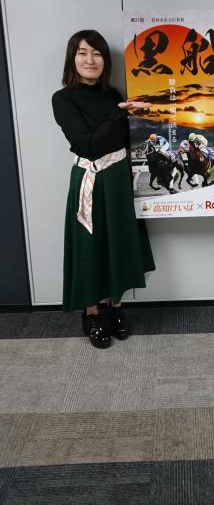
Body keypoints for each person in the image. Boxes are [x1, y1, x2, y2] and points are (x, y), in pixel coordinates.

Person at [52, 30, 155, 349]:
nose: (90, 60)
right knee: (89, 245)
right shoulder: (63, 99)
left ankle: (116, 306)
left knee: (120, 241)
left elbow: (122, 140)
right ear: (72, 58)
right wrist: (119, 113)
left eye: (97, 53)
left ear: (105, 61)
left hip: (118, 178)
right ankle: (92, 313)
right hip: (91, 179)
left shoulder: (113, 95)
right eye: (83, 53)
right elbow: (89, 144)